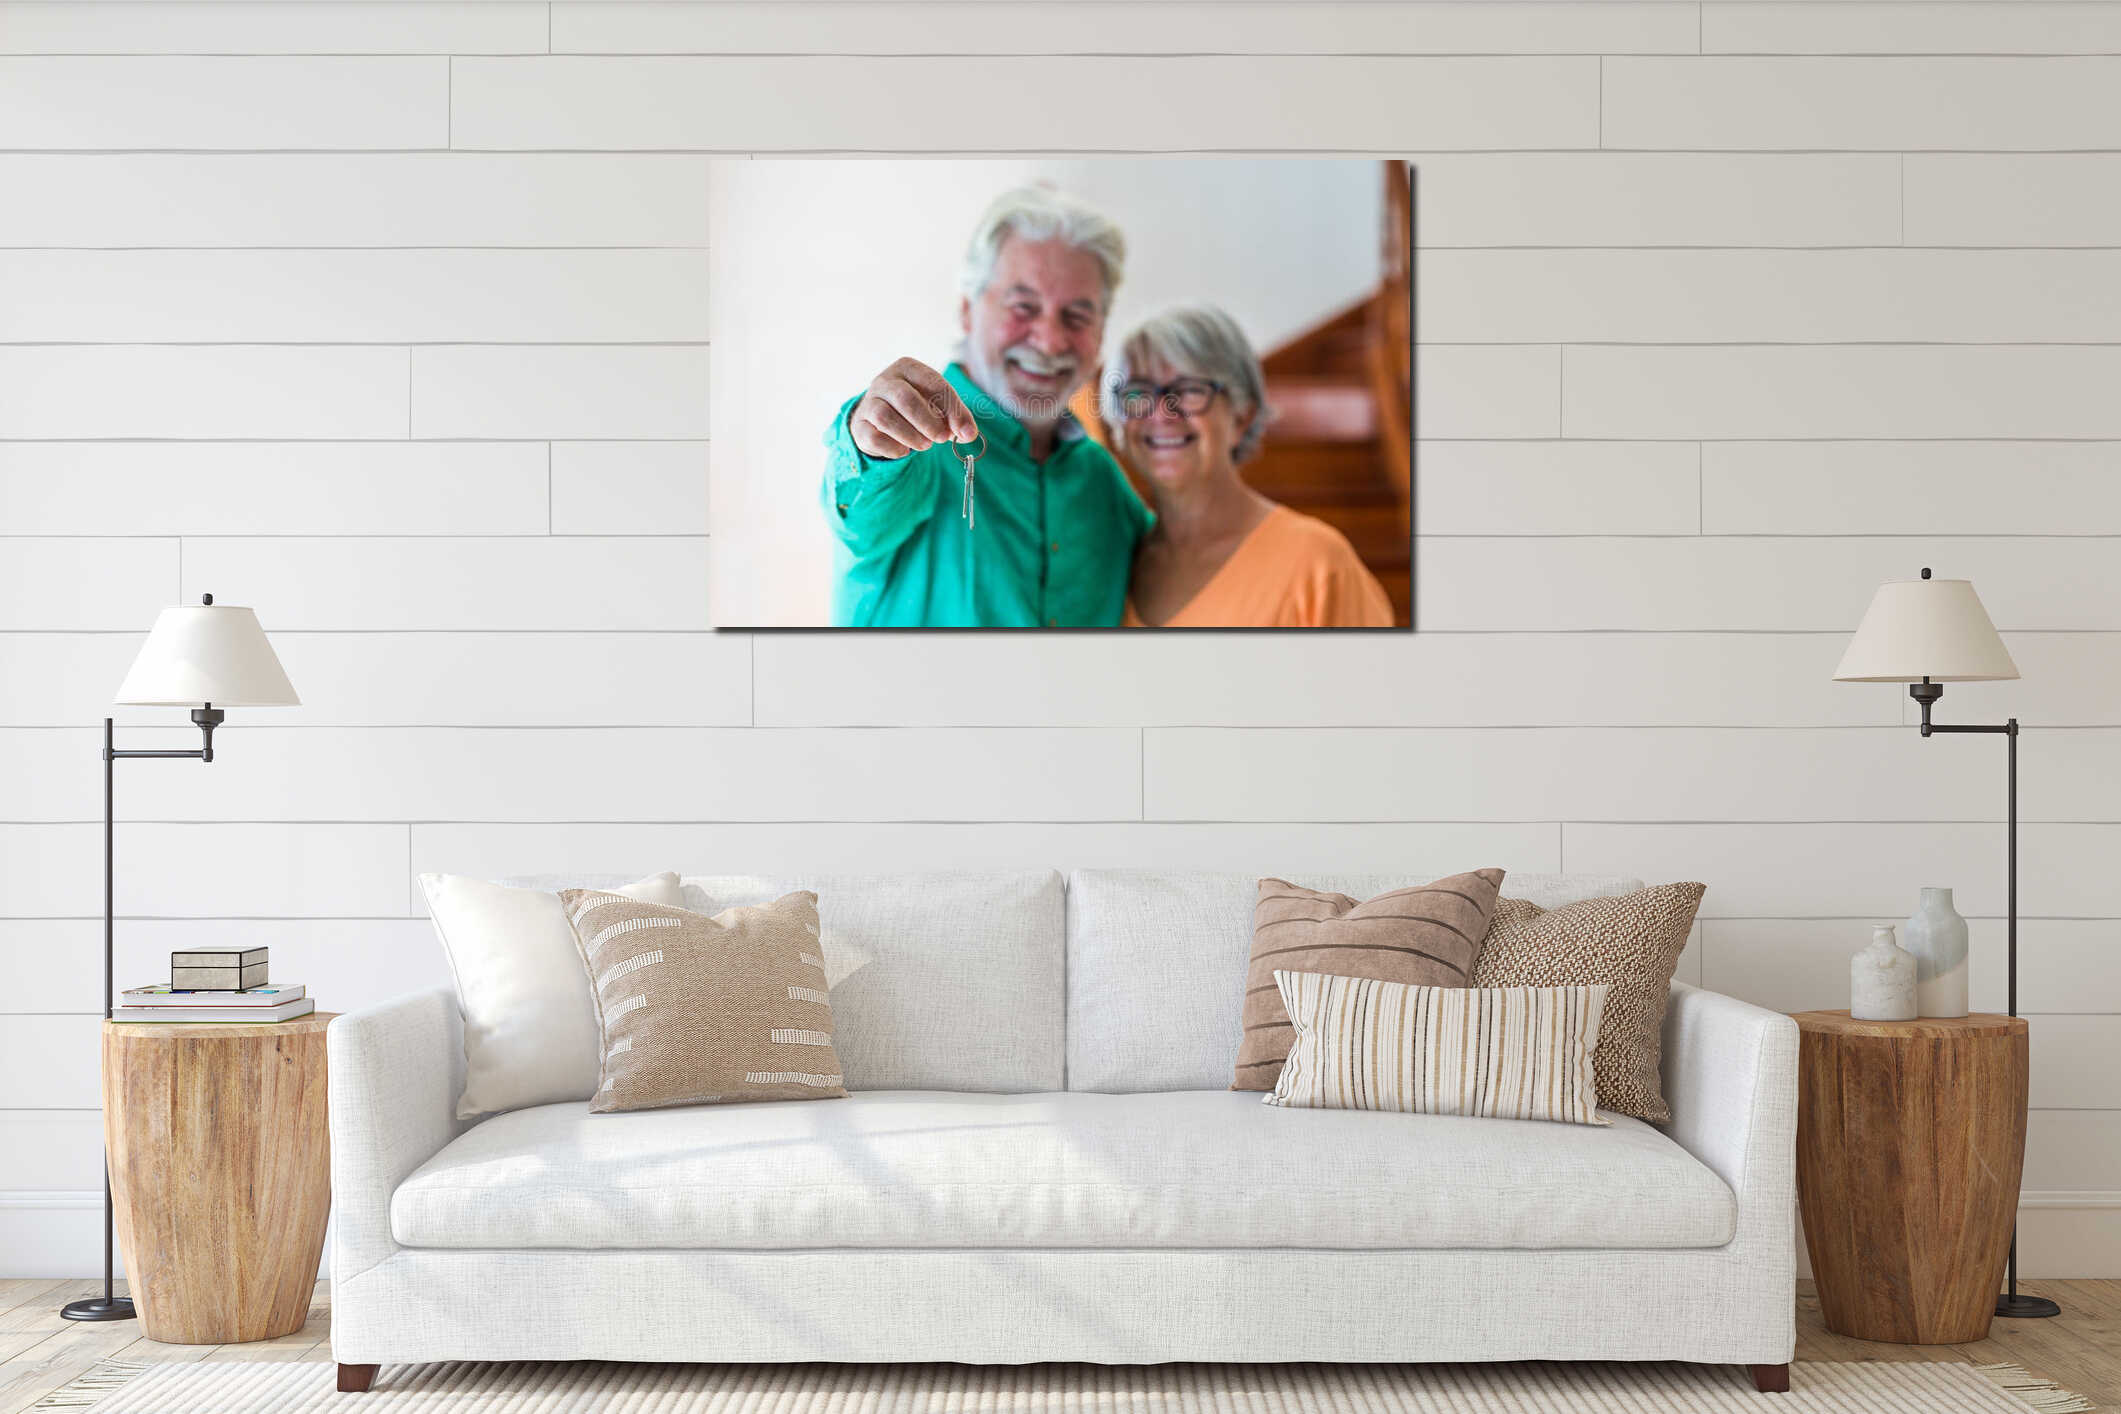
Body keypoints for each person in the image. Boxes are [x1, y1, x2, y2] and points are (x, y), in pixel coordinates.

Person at [821, 188, 1151, 627]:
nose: (1050, 341)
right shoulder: (912, 449)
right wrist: (871, 437)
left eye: (1077, 317)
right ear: (966, 311)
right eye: (1023, 307)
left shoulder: (1104, 481)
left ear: (1101, 334)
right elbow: (862, 497)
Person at [1101, 306, 1394, 628]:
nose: (1162, 413)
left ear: (1243, 416)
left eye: (1189, 390)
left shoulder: (1318, 564)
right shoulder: (1111, 563)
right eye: (1138, 392)